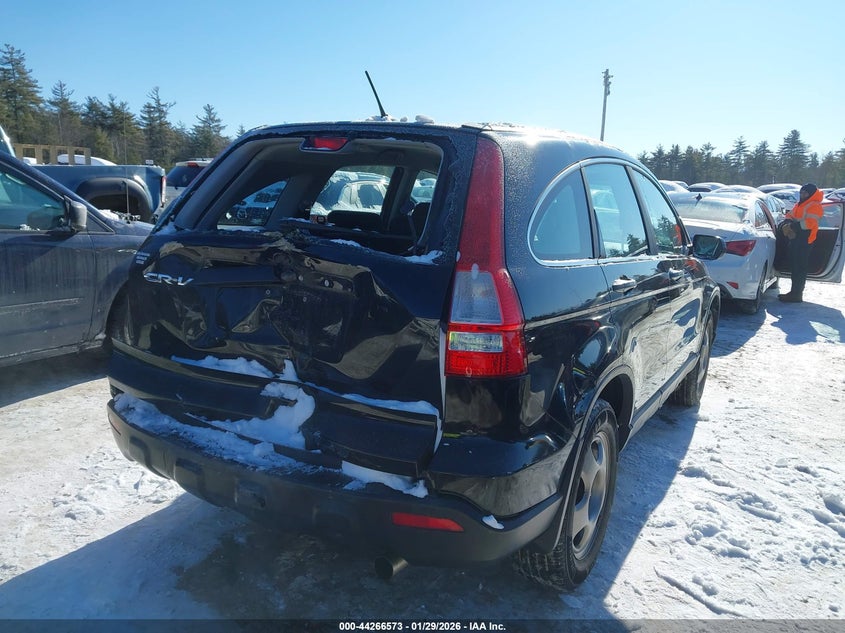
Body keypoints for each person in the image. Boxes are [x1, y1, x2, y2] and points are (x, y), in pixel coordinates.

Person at [779, 183, 824, 303]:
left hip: (806, 239)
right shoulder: (800, 204)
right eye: (801, 192)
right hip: (796, 238)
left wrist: (792, 226)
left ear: (811, 194)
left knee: (800, 268)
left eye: (805, 193)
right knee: (795, 266)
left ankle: (797, 294)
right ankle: (794, 292)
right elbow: (790, 215)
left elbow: (810, 223)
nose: (802, 194)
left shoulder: (815, 205)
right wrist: (786, 222)